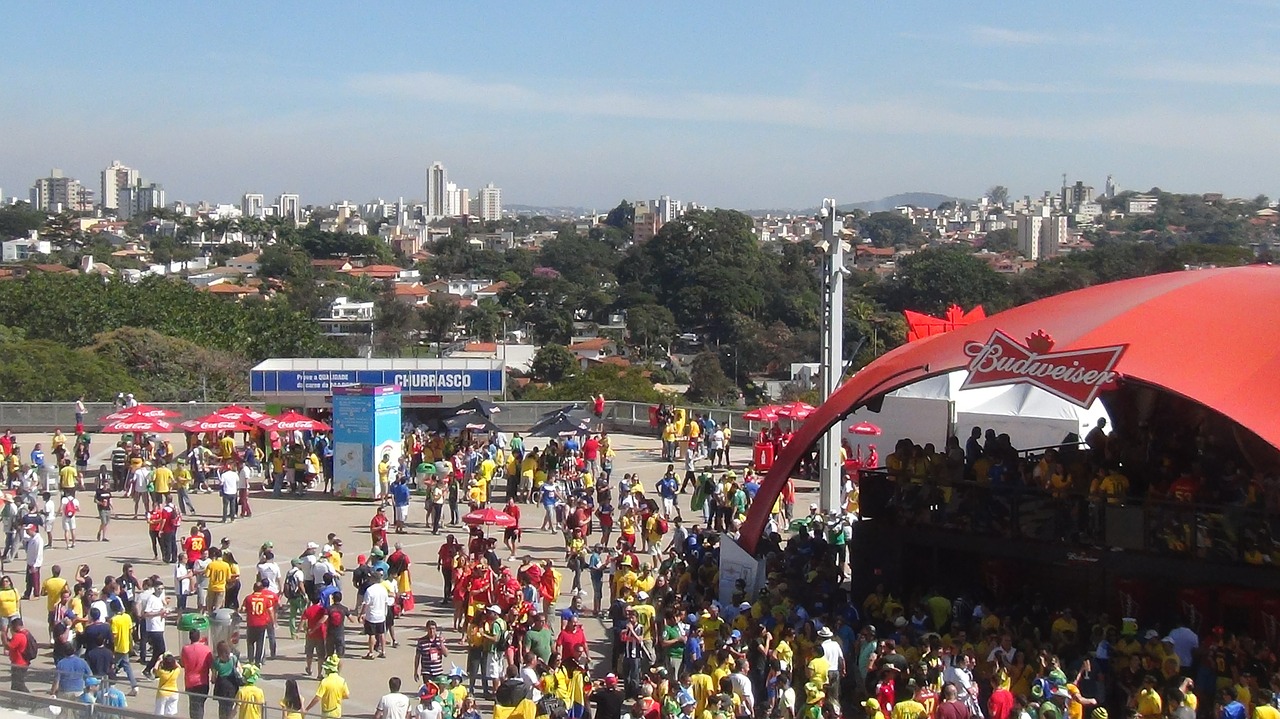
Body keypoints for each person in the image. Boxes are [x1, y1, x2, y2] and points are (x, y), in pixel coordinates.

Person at [181, 628, 214, 719]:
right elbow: (211, 665)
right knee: (200, 705)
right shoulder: (206, 649)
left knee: (193, 705)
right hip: (203, 682)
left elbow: (183, 663)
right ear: (199, 637)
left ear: (190, 637)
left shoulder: (185, 649)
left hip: (190, 682)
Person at [306, 654, 351, 718]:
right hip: (337, 711)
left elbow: (318, 697)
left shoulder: (325, 681)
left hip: (326, 712)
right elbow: (346, 696)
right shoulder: (342, 681)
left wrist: (307, 709)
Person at [6, 616, 32, 691]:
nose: (11, 629)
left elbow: (9, 647)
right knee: (16, 683)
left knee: (18, 683)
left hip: (18, 663)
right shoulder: (25, 633)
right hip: (23, 662)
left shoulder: (18, 636)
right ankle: (14, 699)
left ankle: (32, 700)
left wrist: (3, 638)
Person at [155, 652, 183, 716]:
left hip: (163, 693)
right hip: (174, 692)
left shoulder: (162, 672)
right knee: (170, 714)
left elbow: (155, 669)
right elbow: (179, 667)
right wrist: (174, 661)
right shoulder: (175, 671)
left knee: (159, 713)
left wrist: (158, 661)